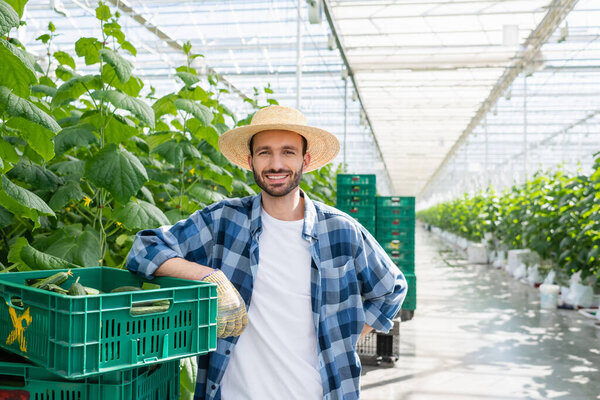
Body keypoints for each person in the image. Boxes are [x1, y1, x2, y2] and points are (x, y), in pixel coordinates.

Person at [126, 105, 407, 400]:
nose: (275, 164)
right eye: (264, 152)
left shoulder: (340, 231)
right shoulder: (224, 221)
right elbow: (145, 248)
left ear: (305, 160)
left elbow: (392, 289)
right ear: (250, 161)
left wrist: (340, 340)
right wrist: (208, 275)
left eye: (288, 152)